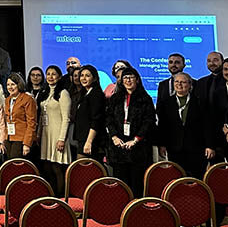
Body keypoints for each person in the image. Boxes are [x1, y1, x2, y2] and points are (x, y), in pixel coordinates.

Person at [105, 67, 155, 197]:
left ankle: (136, 208)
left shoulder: (145, 99)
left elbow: (149, 121)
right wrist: (114, 137)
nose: (128, 80)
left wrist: (136, 139)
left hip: (138, 148)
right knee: (120, 185)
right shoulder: (115, 98)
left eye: (131, 77)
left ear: (137, 79)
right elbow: (109, 119)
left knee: (136, 184)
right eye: (125, 78)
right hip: (118, 147)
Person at [158, 72, 214, 179]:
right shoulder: (166, 102)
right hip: (174, 148)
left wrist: (210, 146)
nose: (179, 84)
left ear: (190, 85)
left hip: (196, 148)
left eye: (183, 82)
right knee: (177, 178)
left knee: (196, 178)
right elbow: (163, 126)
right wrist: (162, 144)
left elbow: (207, 125)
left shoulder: (200, 102)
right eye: (177, 82)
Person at [37, 66, 71, 196]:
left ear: (59, 76)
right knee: (47, 166)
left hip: (57, 134)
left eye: (54, 74)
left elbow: (66, 118)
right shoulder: (44, 92)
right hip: (46, 135)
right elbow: (42, 117)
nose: (50, 77)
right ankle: (51, 194)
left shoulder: (63, 93)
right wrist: (38, 134)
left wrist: (62, 139)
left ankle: (61, 196)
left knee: (57, 167)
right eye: (48, 74)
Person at [73, 66, 106, 162]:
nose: (83, 78)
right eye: (82, 75)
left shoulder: (96, 94)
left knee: (84, 166)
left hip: (92, 140)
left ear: (94, 78)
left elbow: (96, 120)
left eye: (87, 76)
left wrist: (89, 142)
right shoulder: (84, 94)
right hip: (83, 138)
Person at [2, 73, 37, 159]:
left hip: (22, 138)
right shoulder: (7, 100)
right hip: (9, 137)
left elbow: (31, 123)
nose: (10, 87)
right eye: (8, 85)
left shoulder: (27, 99)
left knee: (15, 162)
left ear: (19, 85)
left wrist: (27, 143)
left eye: (13, 84)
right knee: (8, 163)